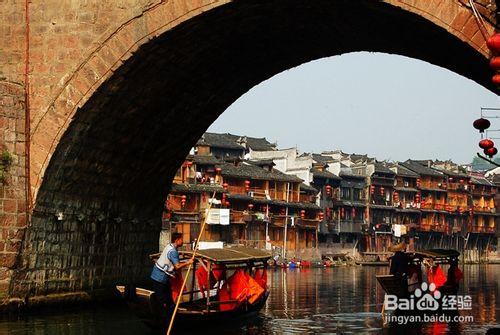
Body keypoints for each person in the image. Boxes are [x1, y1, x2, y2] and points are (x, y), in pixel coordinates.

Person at [150, 232, 193, 316]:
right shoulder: (173, 251)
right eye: (181, 239)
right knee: (162, 300)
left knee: (168, 298)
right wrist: (188, 262)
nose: (183, 241)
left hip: (158, 276)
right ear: (177, 240)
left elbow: (172, 264)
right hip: (160, 278)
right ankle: (163, 316)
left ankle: (169, 313)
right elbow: (177, 266)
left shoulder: (169, 246)